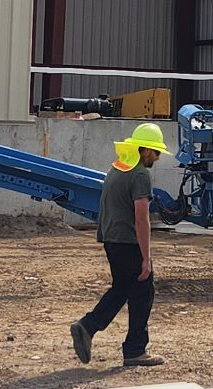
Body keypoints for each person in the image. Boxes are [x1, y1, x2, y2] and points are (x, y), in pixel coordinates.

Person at [70, 122, 166, 368]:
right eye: (156, 152)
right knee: (143, 293)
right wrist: (146, 257)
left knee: (122, 289)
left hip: (111, 238)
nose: (157, 157)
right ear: (146, 150)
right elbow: (141, 218)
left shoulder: (117, 169)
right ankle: (134, 350)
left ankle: (88, 327)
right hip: (128, 240)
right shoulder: (140, 175)